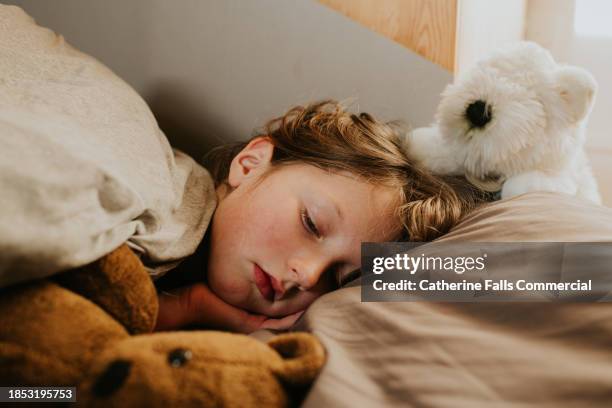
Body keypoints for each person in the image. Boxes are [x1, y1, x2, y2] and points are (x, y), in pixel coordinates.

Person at [153, 100, 484, 333]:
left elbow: (517, 273)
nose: (309, 276)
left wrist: (189, 306)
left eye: (336, 278)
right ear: (250, 163)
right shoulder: (153, 203)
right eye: (311, 223)